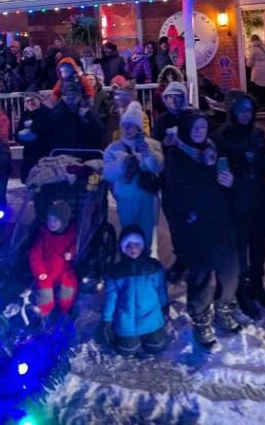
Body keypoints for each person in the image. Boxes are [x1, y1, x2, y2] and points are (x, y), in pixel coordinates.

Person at [163, 112, 241, 348]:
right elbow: (180, 192)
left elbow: (224, 183)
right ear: (187, 130)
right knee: (201, 274)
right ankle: (201, 319)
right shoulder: (176, 156)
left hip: (221, 220)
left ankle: (224, 308)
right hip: (196, 223)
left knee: (230, 269)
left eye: (203, 127)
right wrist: (210, 188)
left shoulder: (212, 151)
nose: (199, 131)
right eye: (195, 128)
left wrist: (230, 183)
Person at [215, 91, 265, 319]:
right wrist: (232, 176)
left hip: (259, 196)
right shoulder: (222, 136)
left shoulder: (258, 132)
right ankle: (240, 290)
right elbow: (221, 167)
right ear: (232, 111)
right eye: (241, 110)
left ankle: (257, 285)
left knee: (259, 243)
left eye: (249, 110)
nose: (245, 115)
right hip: (237, 200)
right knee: (240, 247)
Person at [100, 224, 170, 357]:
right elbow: (111, 299)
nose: (132, 248)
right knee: (126, 351)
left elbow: (161, 289)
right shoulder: (116, 272)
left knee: (156, 346)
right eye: (128, 245)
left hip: (152, 320)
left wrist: (164, 305)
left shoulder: (153, 267)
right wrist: (106, 320)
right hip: (126, 325)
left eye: (136, 244)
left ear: (142, 246)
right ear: (121, 248)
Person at [103, 102, 164, 248]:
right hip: (125, 198)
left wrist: (147, 153)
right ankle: (129, 262)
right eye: (124, 125)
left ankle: (146, 261)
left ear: (139, 128)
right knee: (128, 232)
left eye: (131, 125)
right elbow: (107, 173)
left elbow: (158, 167)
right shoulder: (113, 148)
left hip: (146, 198)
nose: (127, 129)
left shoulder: (152, 145)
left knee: (147, 232)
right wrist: (122, 164)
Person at [152, 81, 194, 282]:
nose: (173, 101)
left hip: (190, 180)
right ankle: (182, 260)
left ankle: (195, 260)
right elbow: (154, 145)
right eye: (169, 97)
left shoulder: (191, 118)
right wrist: (163, 145)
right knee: (175, 223)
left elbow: (201, 140)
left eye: (177, 96)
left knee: (191, 221)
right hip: (169, 179)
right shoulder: (162, 121)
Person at [28, 200, 78, 317]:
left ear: (64, 222)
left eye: (55, 220)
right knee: (44, 292)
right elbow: (34, 255)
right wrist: (40, 272)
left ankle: (64, 312)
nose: (51, 223)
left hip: (63, 270)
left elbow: (75, 246)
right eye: (50, 219)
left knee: (68, 288)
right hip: (45, 271)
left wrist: (71, 253)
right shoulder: (44, 236)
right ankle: (43, 314)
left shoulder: (70, 235)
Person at [48, 80, 105, 153]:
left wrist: (88, 116)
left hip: (87, 152)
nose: (71, 99)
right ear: (62, 97)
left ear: (79, 96)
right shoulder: (56, 112)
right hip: (62, 152)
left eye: (74, 96)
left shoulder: (88, 110)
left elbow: (100, 130)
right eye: (67, 96)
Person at [15, 88, 51, 183]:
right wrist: (25, 135)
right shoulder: (25, 114)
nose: (30, 103)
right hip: (29, 152)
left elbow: (38, 130)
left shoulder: (46, 113)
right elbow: (17, 135)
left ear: (39, 100)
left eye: (32, 100)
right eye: (27, 101)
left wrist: (27, 132)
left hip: (44, 152)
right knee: (27, 178)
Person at [246, 35, 265, 111]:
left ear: (252, 40)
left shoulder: (253, 49)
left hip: (258, 73)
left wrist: (247, 61)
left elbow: (249, 64)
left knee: (257, 90)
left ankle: (260, 105)